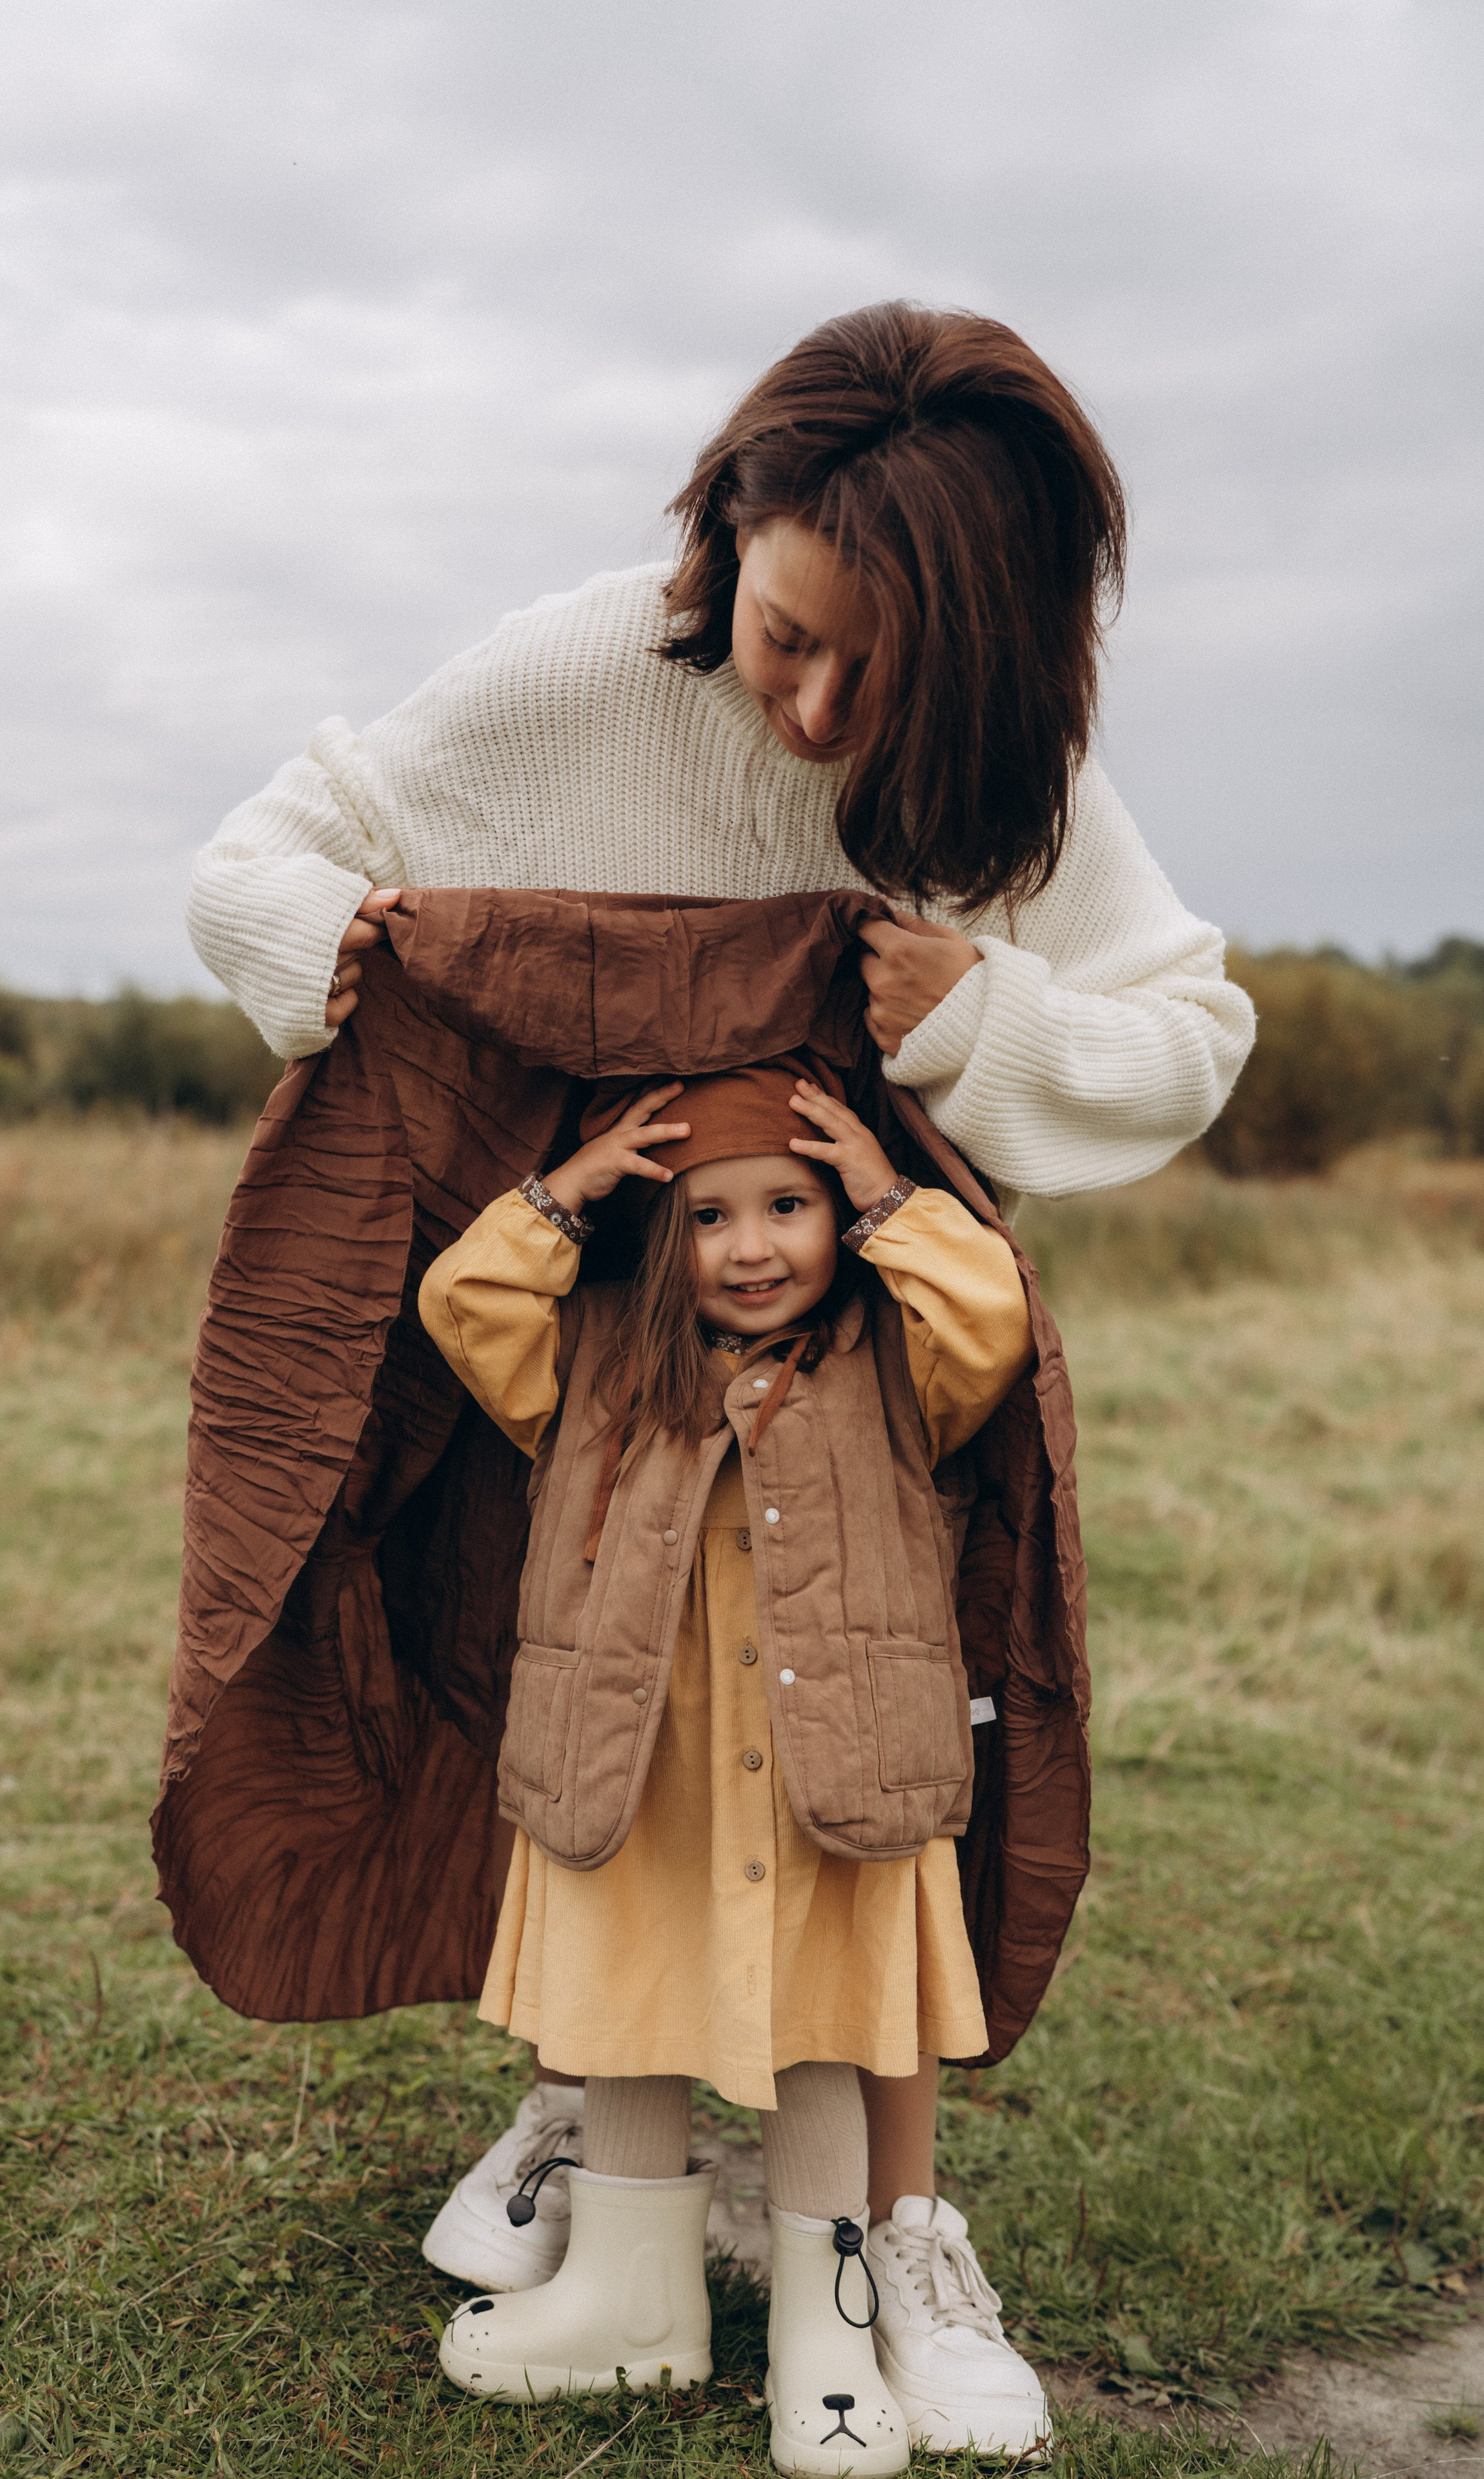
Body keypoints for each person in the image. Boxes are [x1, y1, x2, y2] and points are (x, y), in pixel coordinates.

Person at [185, 301, 1255, 2438]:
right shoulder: (578, 666)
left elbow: (1187, 1036)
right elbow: (253, 865)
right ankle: (612, 2130)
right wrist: (401, 981)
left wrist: (976, 1022)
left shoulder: (1002, 770)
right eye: (789, 640)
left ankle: (887, 2234)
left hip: (862, 1369)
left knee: (880, 1741)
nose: (823, 710)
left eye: (885, 676)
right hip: (600, 1319)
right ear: (725, 532)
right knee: (582, 1701)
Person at [418, 1058, 1045, 2471]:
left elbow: (991, 1311)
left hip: (832, 1767)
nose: (752, 1247)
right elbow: (466, 1302)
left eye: (788, 1206)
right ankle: (626, 2302)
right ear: (657, 1237)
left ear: (838, 1217)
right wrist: (563, 1195)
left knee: (822, 2015)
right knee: (630, 2001)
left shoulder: (893, 1368)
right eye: (706, 1217)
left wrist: (891, 1199)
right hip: (644, 1766)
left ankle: (826, 2340)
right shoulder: (592, 1369)